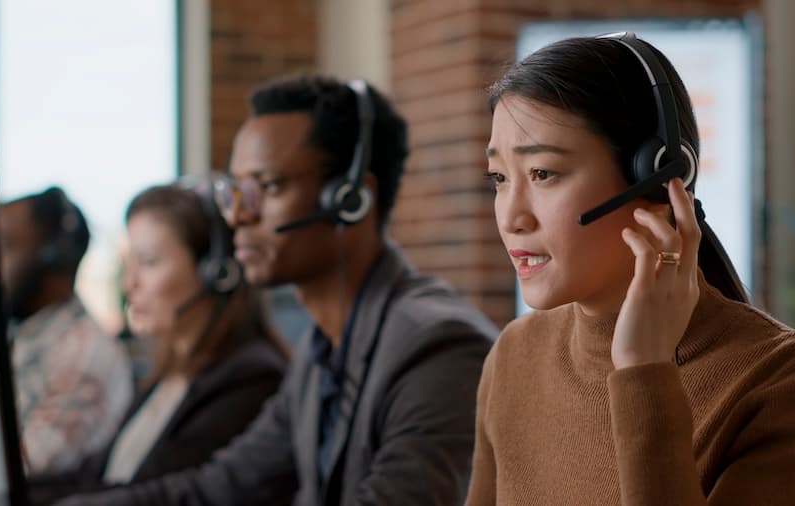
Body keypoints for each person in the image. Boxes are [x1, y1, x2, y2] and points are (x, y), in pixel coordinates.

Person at [56, 75, 498, 506]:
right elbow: (220, 487)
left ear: (349, 199)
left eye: (268, 187)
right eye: (236, 191)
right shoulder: (318, 352)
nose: (238, 216)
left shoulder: (437, 347)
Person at [464, 33, 795, 505]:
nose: (511, 218)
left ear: (659, 177)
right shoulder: (514, 357)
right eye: (499, 179)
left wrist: (645, 372)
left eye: (543, 173)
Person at [28, 183, 288, 504]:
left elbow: (156, 493)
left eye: (148, 262)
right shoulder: (168, 375)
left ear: (214, 271)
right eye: (128, 263)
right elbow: (94, 476)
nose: (129, 284)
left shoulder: (251, 379)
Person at [0, 186, 133, 474]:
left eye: (4, 246)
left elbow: (19, 470)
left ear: (54, 259)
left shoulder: (83, 355)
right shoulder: (18, 333)